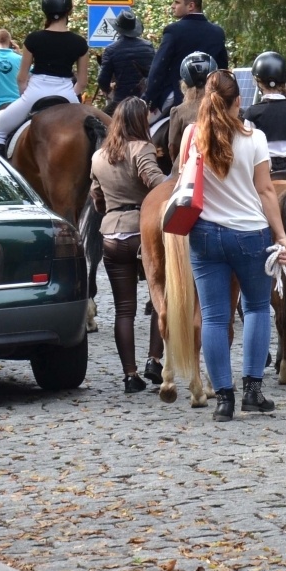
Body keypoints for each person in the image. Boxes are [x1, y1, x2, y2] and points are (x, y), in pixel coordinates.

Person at [176, 69, 286, 421]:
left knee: (213, 316)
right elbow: (266, 190)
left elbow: (184, 183)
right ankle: (252, 392)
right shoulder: (254, 137)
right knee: (257, 308)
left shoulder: (192, 135)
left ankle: (224, 399)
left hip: (205, 235)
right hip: (249, 234)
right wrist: (282, 236)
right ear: (238, 101)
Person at [89, 97, 167, 392]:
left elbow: (96, 199)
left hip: (111, 234)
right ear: (139, 121)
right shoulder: (142, 148)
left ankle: (130, 376)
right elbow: (156, 181)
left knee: (124, 309)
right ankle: (154, 359)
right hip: (143, 234)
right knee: (160, 299)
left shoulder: (98, 157)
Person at [0, 0, 89, 155]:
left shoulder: (33, 39)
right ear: (69, 11)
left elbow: (21, 78)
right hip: (67, 95)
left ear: (45, 11)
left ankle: (5, 178)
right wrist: (71, 93)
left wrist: (25, 96)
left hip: (35, 93)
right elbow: (83, 82)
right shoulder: (79, 43)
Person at [143, 0, 228, 117]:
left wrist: (148, 99)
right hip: (210, 99)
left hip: (177, 97)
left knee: (144, 130)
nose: (172, 6)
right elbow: (223, 70)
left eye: (176, 2)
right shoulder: (218, 32)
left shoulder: (173, 31)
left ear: (191, 6)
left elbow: (158, 68)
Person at [244, 51, 286, 181]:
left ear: (258, 82)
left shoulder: (252, 113)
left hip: (264, 171)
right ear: (284, 81)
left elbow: (248, 151)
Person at [95, 10, 156, 113]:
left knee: (102, 122)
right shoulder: (148, 46)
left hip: (121, 101)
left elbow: (103, 80)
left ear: (118, 29)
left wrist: (109, 92)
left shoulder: (111, 49)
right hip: (145, 100)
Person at [167, 51, 218, 172]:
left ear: (185, 82)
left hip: (187, 168)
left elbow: (173, 146)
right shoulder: (226, 108)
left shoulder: (178, 111)